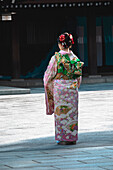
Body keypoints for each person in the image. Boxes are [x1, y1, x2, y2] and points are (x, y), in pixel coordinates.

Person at [44, 32, 84, 145]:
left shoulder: (56, 58)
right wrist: (74, 87)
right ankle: (72, 138)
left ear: (60, 44)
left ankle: (63, 138)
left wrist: (49, 86)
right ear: (71, 44)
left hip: (60, 90)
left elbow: (48, 76)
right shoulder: (75, 58)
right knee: (71, 114)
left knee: (61, 114)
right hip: (72, 89)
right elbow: (78, 77)